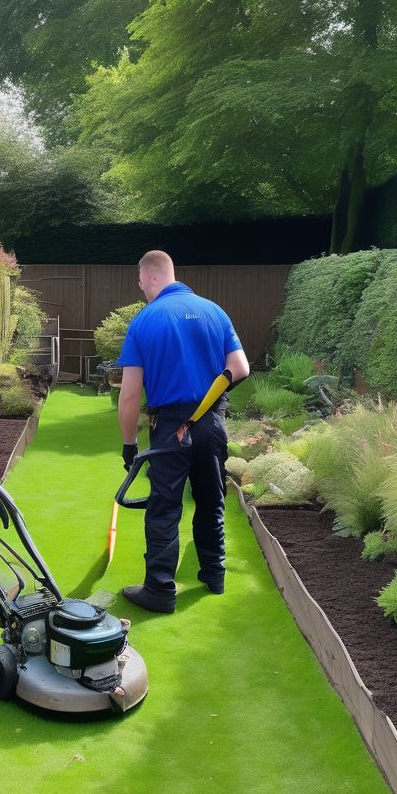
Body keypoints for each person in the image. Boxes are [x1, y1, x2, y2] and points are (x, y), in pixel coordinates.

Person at [116, 250, 250, 614]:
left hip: (170, 427)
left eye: (141, 282)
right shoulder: (214, 311)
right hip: (211, 424)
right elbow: (240, 368)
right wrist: (207, 404)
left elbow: (129, 395)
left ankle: (160, 590)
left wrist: (129, 445)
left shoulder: (144, 321)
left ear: (152, 277)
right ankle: (214, 574)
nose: (142, 289)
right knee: (211, 499)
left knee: (164, 507)